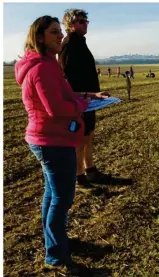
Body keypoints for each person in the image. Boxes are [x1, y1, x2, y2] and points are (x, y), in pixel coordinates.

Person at [15, 15, 90, 274]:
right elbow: (56, 108)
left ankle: (55, 242)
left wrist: (86, 96)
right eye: (54, 32)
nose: (60, 36)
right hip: (52, 140)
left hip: (46, 138)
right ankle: (56, 256)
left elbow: (59, 96)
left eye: (60, 31)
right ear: (39, 37)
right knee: (62, 197)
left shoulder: (42, 63)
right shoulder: (44, 67)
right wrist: (81, 105)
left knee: (52, 193)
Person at [59, 9, 111, 188]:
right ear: (70, 25)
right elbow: (65, 77)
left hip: (89, 99)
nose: (85, 23)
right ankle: (79, 177)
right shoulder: (68, 45)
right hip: (80, 101)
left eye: (86, 21)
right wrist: (80, 98)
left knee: (89, 135)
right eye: (81, 21)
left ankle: (91, 171)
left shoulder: (80, 42)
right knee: (80, 140)